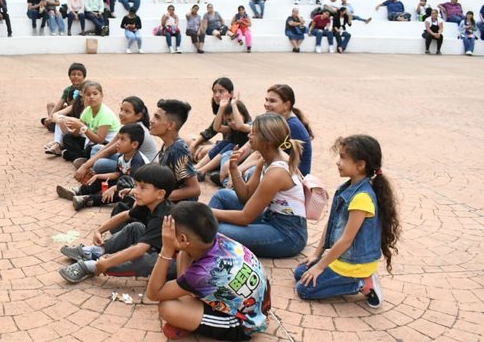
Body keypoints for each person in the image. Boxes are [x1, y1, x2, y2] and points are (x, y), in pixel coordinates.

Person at [295, 135, 400, 309]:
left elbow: (346, 240)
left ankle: (363, 283)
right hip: (344, 258)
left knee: (304, 289)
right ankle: (349, 278)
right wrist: (316, 254)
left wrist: (320, 266)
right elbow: (331, 223)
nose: (338, 161)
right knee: (301, 272)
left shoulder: (362, 198)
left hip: (355, 263)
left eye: (343, 157)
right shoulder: (346, 188)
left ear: (360, 165)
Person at [145, 202, 269, 341]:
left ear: (183, 239)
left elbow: (154, 293)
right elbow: (185, 253)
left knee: (167, 308)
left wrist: (166, 249)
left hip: (244, 324)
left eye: (169, 231)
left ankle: (190, 318)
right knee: (183, 254)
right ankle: (190, 309)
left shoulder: (202, 274)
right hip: (256, 305)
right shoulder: (219, 239)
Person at [209, 113, 308, 258]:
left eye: (254, 133)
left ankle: (201, 240)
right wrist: (234, 169)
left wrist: (206, 213)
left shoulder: (277, 172)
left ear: (267, 141)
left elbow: (245, 217)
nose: (249, 136)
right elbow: (246, 196)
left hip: (288, 234)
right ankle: (201, 235)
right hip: (270, 218)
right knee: (222, 196)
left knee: (217, 230)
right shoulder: (266, 159)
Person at [58, 164, 176, 283]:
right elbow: (125, 215)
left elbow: (139, 249)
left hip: (175, 262)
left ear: (160, 194)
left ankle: (93, 266)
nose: (135, 191)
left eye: (142, 187)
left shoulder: (163, 216)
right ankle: (95, 252)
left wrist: (108, 263)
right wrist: (99, 230)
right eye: (136, 185)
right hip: (160, 248)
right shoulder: (148, 203)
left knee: (144, 261)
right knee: (136, 227)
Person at [57, 124, 149, 210]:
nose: (117, 142)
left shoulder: (138, 161)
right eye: (118, 139)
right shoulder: (122, 156)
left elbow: (132, 184)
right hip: (123, 183)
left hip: (136, 189)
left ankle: (88, 200)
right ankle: (79, 191)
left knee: (118, 194)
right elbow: (117, 174)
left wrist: (113, 188)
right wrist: (98, 176)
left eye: (122, 139)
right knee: (101, 180)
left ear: (134, 144)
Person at [73, 96, 157, 181]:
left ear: (138, 116)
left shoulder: (137, 131)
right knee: (96, 148)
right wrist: (87, 164)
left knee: (99, 164)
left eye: (127, 112)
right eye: (121, 109)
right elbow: (108, 147)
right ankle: (92, 172)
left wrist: (86, 166)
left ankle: (95, 177)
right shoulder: (127, 126)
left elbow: (109, 151)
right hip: (127, 158)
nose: (121, 114)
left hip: (140, 168)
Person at [148, 99, 200, 202]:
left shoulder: (177, 150)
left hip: (180, 210)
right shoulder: (167, 145)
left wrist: (158, 197)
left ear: (171, 125)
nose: (151, 120)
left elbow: (194, 189)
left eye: (157, 117)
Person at [193, 96, 252, 184]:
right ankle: (198, 167)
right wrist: (221, 108)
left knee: (230, 146)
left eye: (235, 118)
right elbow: (216, 127)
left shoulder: (250, 126)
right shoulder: (234, 129)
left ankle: (202, 171)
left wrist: (234, 105)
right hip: (230, 158)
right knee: (225, 143)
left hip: (243, 160)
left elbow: (240, 125)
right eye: (229, 120)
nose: (232, 122)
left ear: (243, 114)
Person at [59, 81, 121, 162]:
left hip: (107, 145)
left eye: (95, 94)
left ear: (102, 95)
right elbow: (77, 133)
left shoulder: (105, 114)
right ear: (84, 97)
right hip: (91, 141)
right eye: (88, 95)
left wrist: (82, 127)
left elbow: (100, 140)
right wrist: (70, 127)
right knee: (68, 138)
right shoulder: (87, 110)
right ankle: (79, 157)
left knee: (92, 149)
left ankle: (76, 156)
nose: (91, 97)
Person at [188, 78, 235, 159]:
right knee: (188, 139)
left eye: (221, 91)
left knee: (202, 152)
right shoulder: (221, 110)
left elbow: (229, 134)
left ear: (231, 93)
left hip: (231, 148)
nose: (216, 95)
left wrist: (210, 146)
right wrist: (193, 145)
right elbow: (210, 132)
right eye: (214, 92)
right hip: (221, 145)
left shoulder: (235, 110)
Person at [41, 62, 86, 141]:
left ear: (84, 77)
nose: (76, 77)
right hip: (68, 112)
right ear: (69, 76)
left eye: (79, 74)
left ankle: (54, 125)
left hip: (78, 115)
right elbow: (59, 104)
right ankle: (51, 122)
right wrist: (50, 116)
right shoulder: (67, 90)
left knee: (66, 109)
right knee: (51, 104)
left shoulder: (85, 89)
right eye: (73, 74)